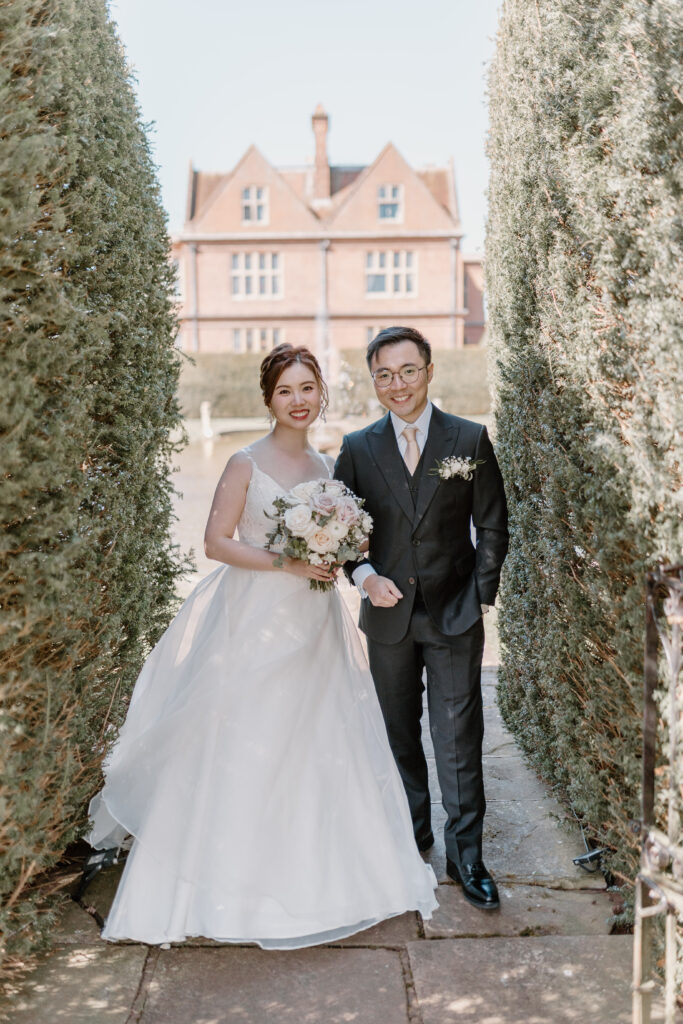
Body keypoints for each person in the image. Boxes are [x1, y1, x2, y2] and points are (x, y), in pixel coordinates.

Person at [87, 343, 437, 947]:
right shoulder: (244, 463)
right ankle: (228, 881)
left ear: (321, 393)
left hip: (315, 621)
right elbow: (216, 542)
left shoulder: (331, 467)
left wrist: (343, 555)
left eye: (307, 388)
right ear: (269, 399)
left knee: (318, 735)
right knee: (248, 733)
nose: (298, 401)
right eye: (285, 391)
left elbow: (345, 546)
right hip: (255, 617)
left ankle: (324, 872)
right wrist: (287, 562)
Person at [334, 326, 508, 910]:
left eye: (408, 371)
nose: (397, 384)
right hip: (388, 620)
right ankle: (412, 839)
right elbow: (342, 535)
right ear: (373, 381)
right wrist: (364, 576)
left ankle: (467, 857)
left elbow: (492, 524)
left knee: (458, 738)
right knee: (398, 736)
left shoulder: (468, 438)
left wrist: (479, 594)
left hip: (455, 615)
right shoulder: (358, 448)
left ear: (429, 372)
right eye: (384, 374)